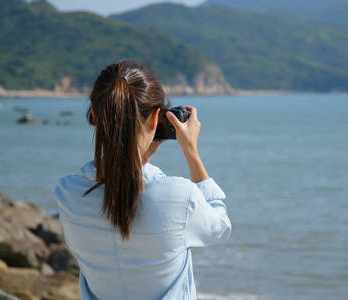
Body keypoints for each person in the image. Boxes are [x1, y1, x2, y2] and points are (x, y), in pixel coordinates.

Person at [54, 60, 232, 299]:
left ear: (95, 116)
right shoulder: (181, 197)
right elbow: (220, 228)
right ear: (155, 119)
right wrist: (192, 152)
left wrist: (141, 153)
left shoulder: (68, 192)